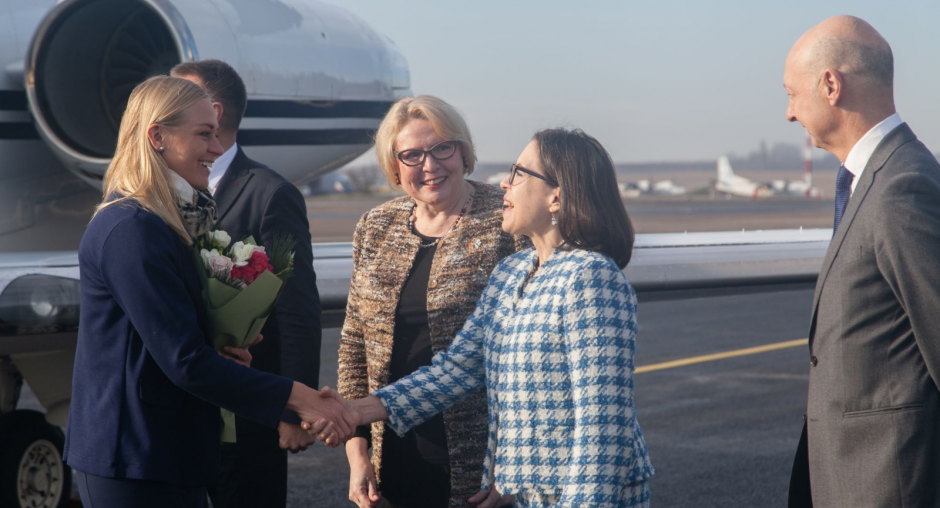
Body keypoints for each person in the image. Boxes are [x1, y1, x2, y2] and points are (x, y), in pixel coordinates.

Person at [325, 128, 654, 508]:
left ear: (556, 196)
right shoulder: (512, 272)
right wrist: (355, 410)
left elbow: (603, 430)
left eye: (519, 173)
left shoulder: (592, 278)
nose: (504, 183)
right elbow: (457, 370)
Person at [65, 75, 349, 508]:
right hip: (134, 459)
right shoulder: (132, 229)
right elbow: (184, 361)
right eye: (204, 134)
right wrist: (299, 399)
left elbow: (168, 345)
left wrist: (219, 351)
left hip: (166, 454)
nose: (217, 148)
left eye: (216, 134)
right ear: (157, 137)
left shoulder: (161, 222)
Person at [337, 95, 527, 508]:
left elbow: (529, 360)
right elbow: (355, 348)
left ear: (463, 151)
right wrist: (358, 456)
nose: (430, 165)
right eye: (412, 155)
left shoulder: (508, 221)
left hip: (482, 463)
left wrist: (515, 466)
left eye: (443, 148)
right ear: (394, 165)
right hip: (393, 457)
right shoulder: (375, 226)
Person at [783, 16, 940, 507]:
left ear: (831, 85)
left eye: (792, 94)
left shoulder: (901, 188)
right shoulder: (873, 179)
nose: (789, 113)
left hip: (886, 486)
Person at [171, 59, 322, 508]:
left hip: (250, 413)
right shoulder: (163, 193)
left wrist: (293, 410)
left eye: (176, 98)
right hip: (181, 412)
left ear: (214, 113)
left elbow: (296, 309)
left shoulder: (270, 193)